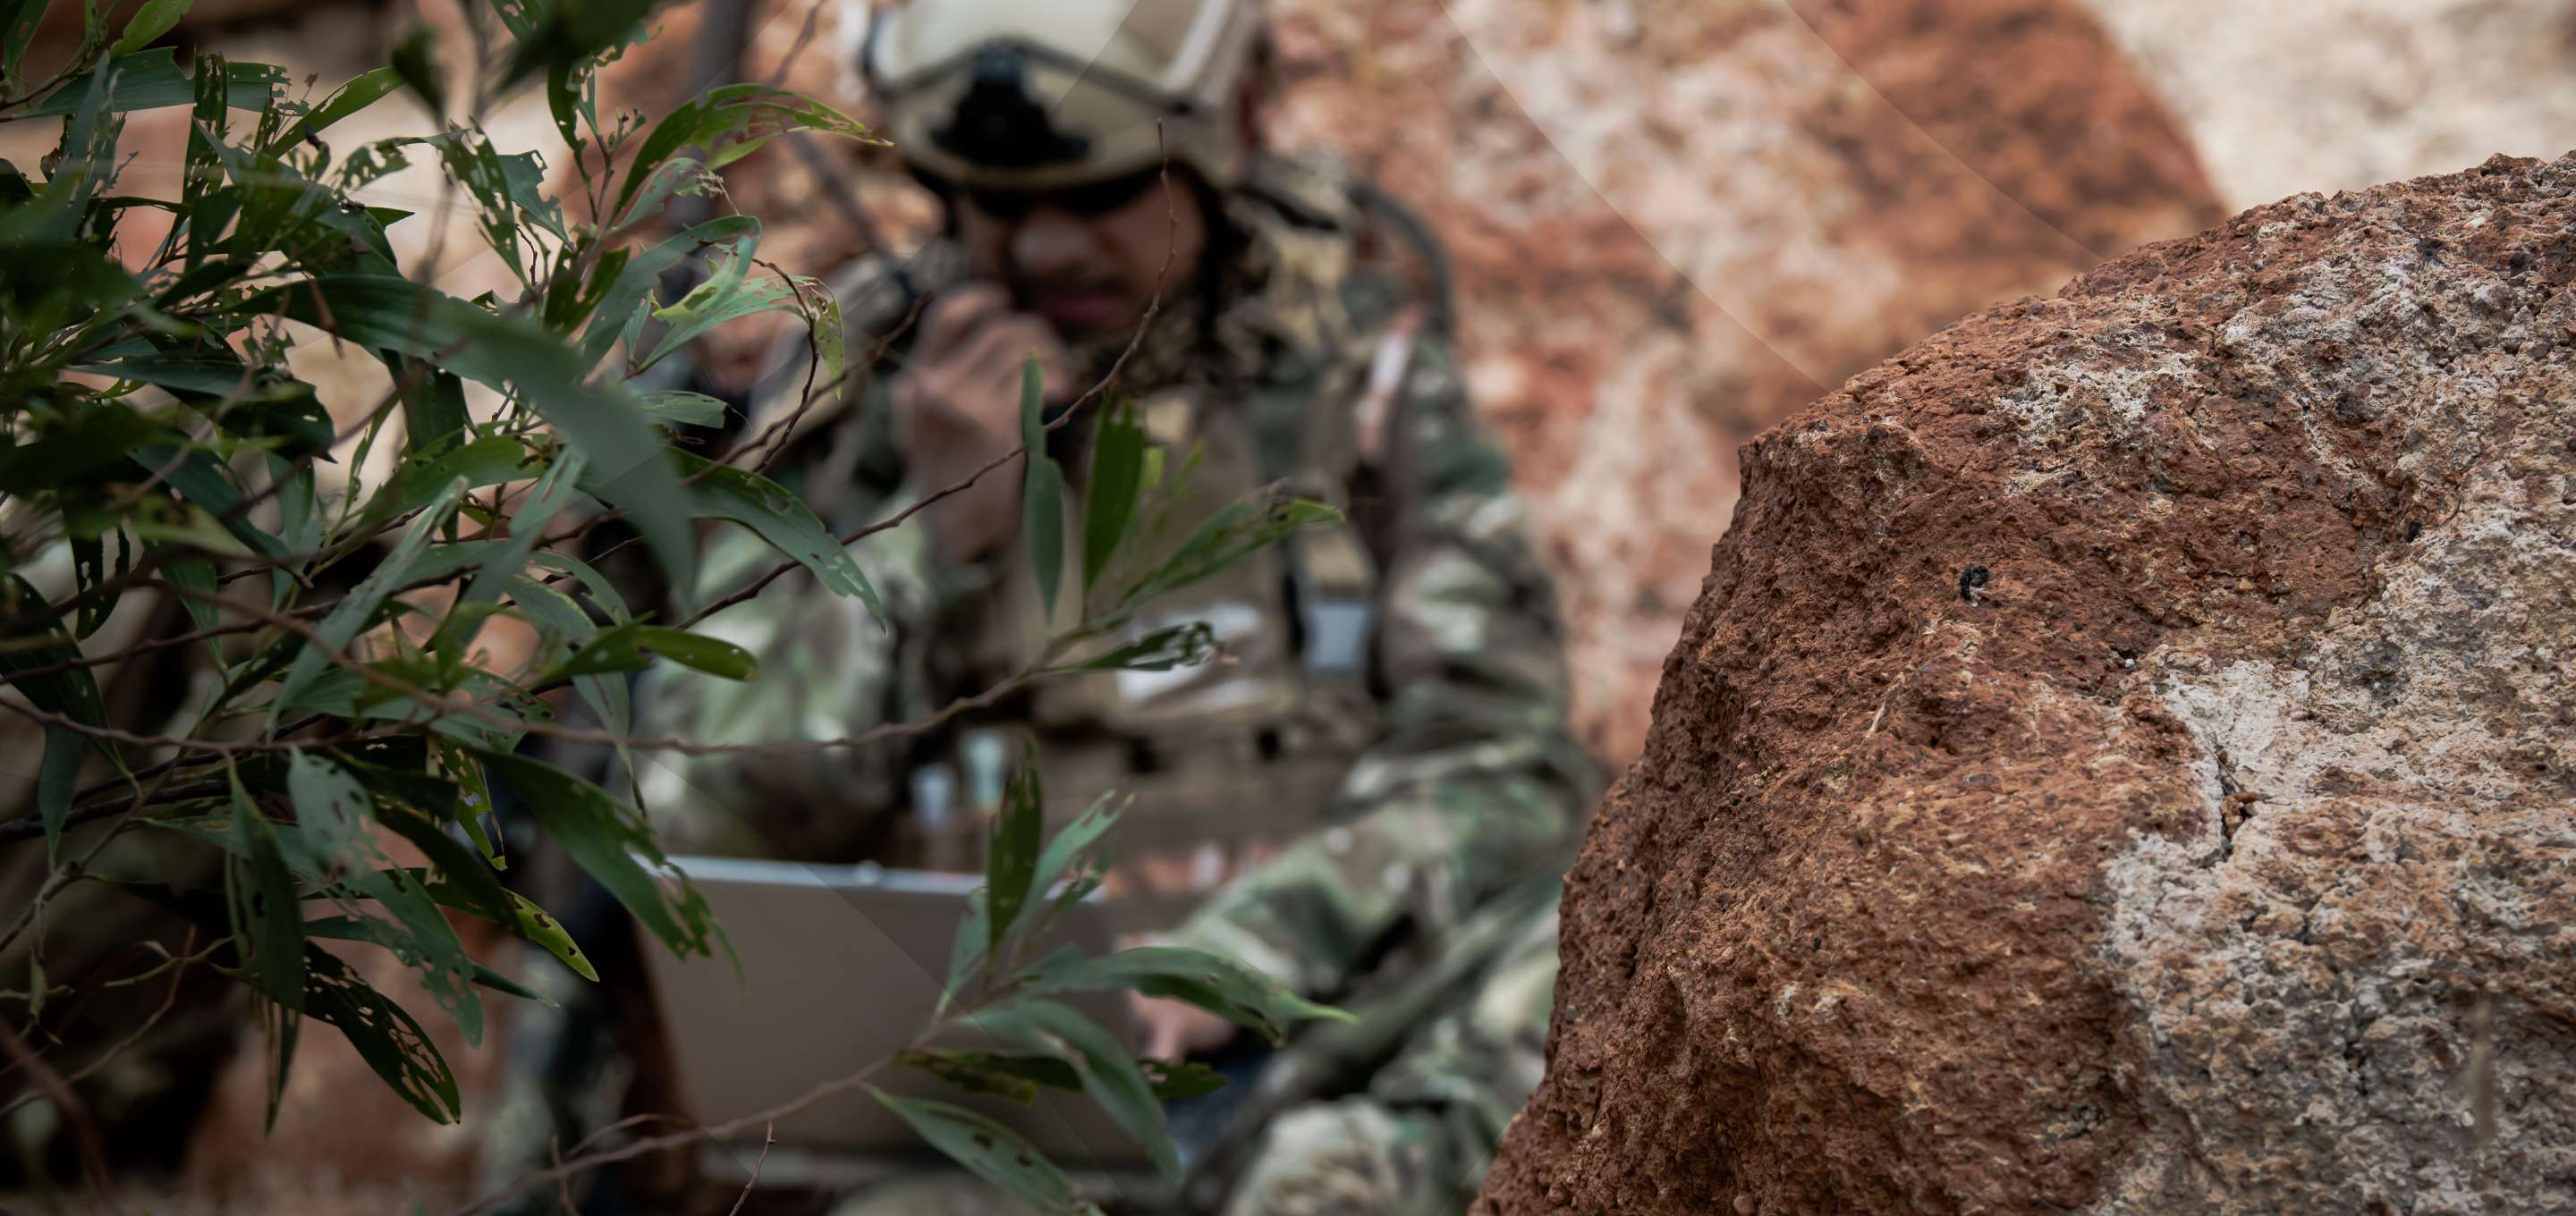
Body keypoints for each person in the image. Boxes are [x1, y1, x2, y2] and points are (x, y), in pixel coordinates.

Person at [487, 1, 1599, 1211]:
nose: (1048, 251)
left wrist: (1227, 964)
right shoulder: (868, 394)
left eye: (1106, 192)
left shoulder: (1354, 375)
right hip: (991, 1132)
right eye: (998, 204)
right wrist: (927, 539)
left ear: (1225, 129)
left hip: (1329, 1051)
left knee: (1570, 968)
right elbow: (710, 822)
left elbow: (1502, 766)